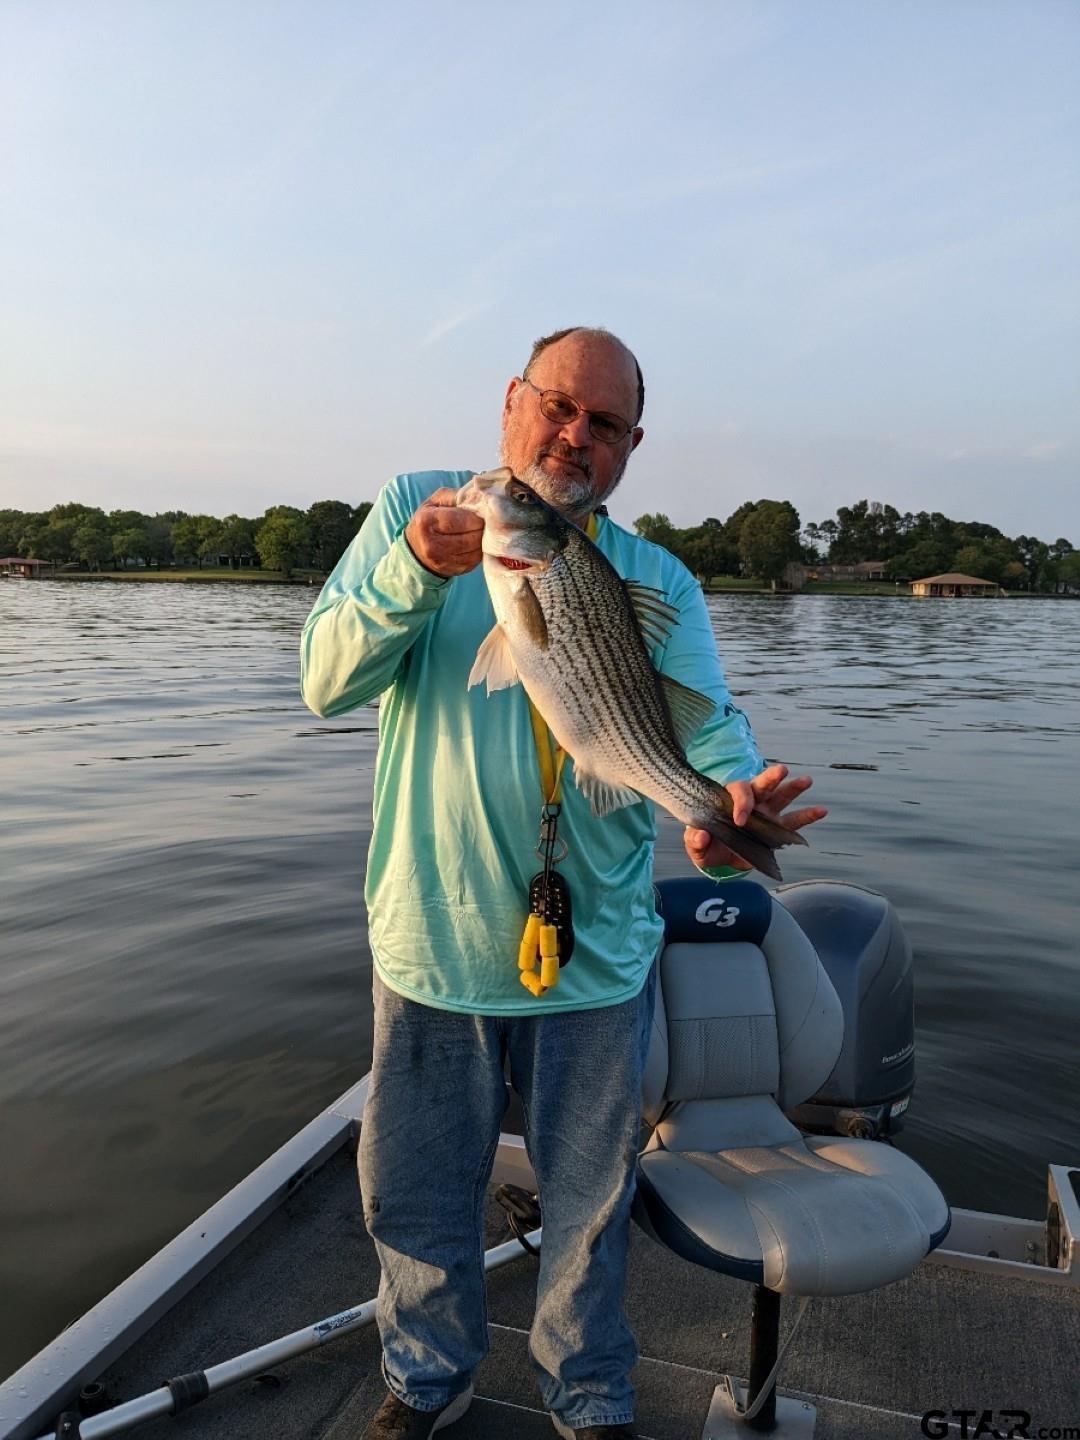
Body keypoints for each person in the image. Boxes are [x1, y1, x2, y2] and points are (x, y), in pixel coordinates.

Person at [300, 327, 825, 1439]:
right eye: (558, 407)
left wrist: (725, 807)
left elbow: (709, 729)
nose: (574, 436)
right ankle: (424, 1383)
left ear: (633, 446)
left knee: (590, 1207)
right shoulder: (418, 508)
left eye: (605, 424)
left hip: (594, 960)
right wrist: (412, 568)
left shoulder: (660, 577)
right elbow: (323, 680)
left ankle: (589, 1400)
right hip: (432, 939)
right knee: (414, 1193)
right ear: (510, 404)